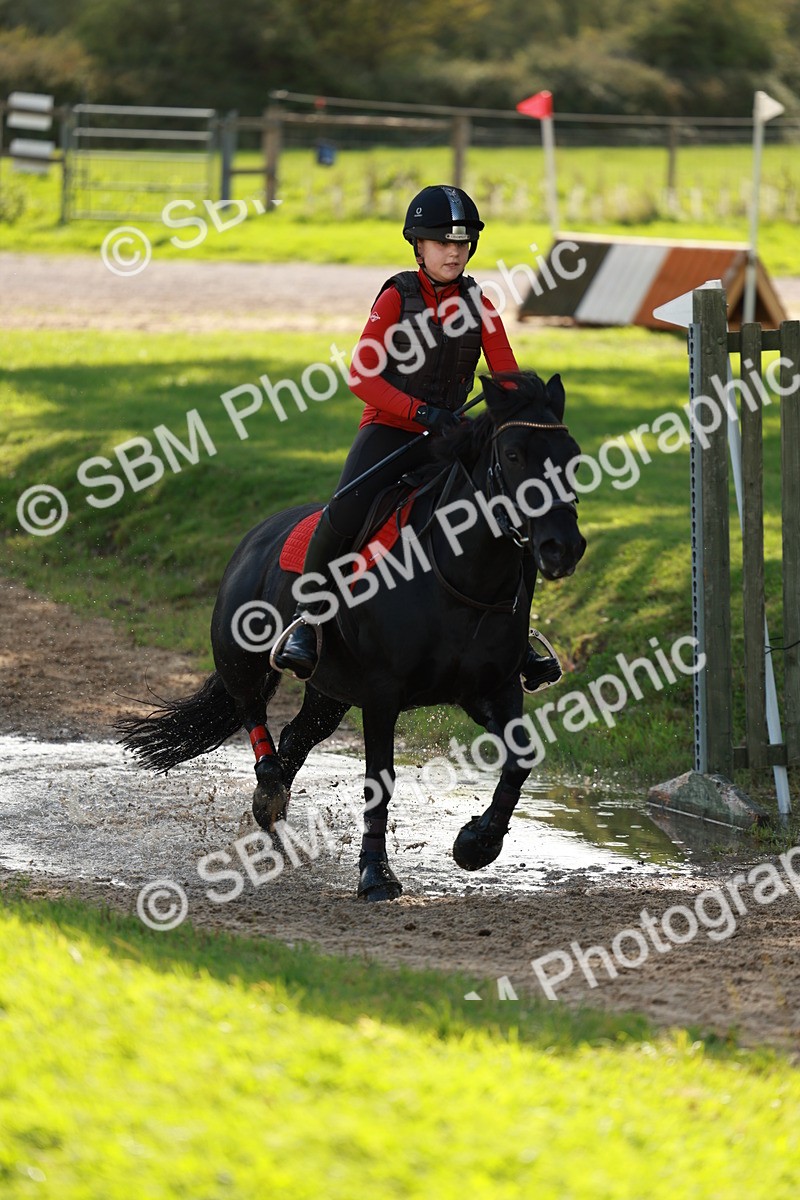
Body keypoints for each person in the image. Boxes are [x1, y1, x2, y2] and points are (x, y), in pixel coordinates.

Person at [273, 183, 561, 692]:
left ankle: (517, 642)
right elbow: (361, 377)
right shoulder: (394, 297)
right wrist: (421, 410)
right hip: (389, 430)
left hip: (452, 437)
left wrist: (531, 404)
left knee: (511, 513)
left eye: (463, 243)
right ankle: (308, 620)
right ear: (418, 247)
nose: (455, 252)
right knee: (346, 509)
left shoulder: (481, 303)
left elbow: (507, 375)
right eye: (442, 242)